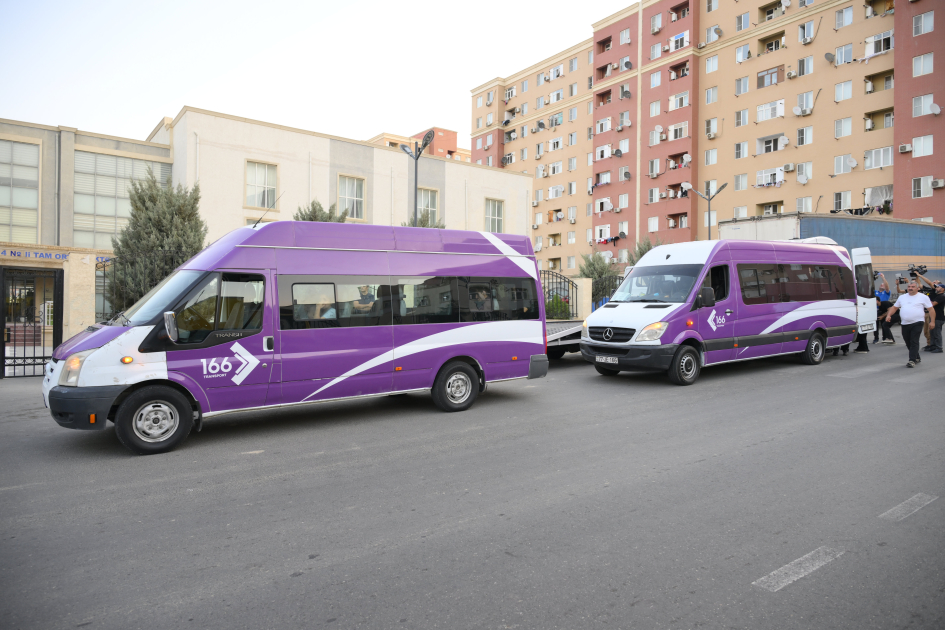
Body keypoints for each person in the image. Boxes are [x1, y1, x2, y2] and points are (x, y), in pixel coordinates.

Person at [885, 280, 934, 367]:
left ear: (918, 288)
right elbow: (894, 307)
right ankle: (916, 357)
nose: (910, 288)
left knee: (914, 340)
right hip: (905, 323)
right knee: (908, 342)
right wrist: (889, 315)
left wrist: (932, 321)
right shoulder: (902, 297)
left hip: (918, 322)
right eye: (909, 287)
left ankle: (912, 360)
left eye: (913, 287)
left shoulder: (923, 297)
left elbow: (931, 310)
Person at [925, 281, 944, 353]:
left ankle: (939, 347)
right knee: (932, 332)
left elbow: (932, 304)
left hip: (938, 317)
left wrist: (925, 301)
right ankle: (932, 346)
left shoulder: (942, 296)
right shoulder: (936, 296)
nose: (936, 288)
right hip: (933, 317)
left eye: (939, 287)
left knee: (936, 333)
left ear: (943, 289)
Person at [873, 274, 891, 344]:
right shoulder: (875, 292)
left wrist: (883, 278)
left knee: (884, 324)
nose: (882, 285)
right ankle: (876, 338)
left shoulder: (886, 293)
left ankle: (884, 338)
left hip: (884, 310)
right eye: (881, 284)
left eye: (883, 284)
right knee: (875, 325)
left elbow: (887, 286)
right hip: (876, 310)